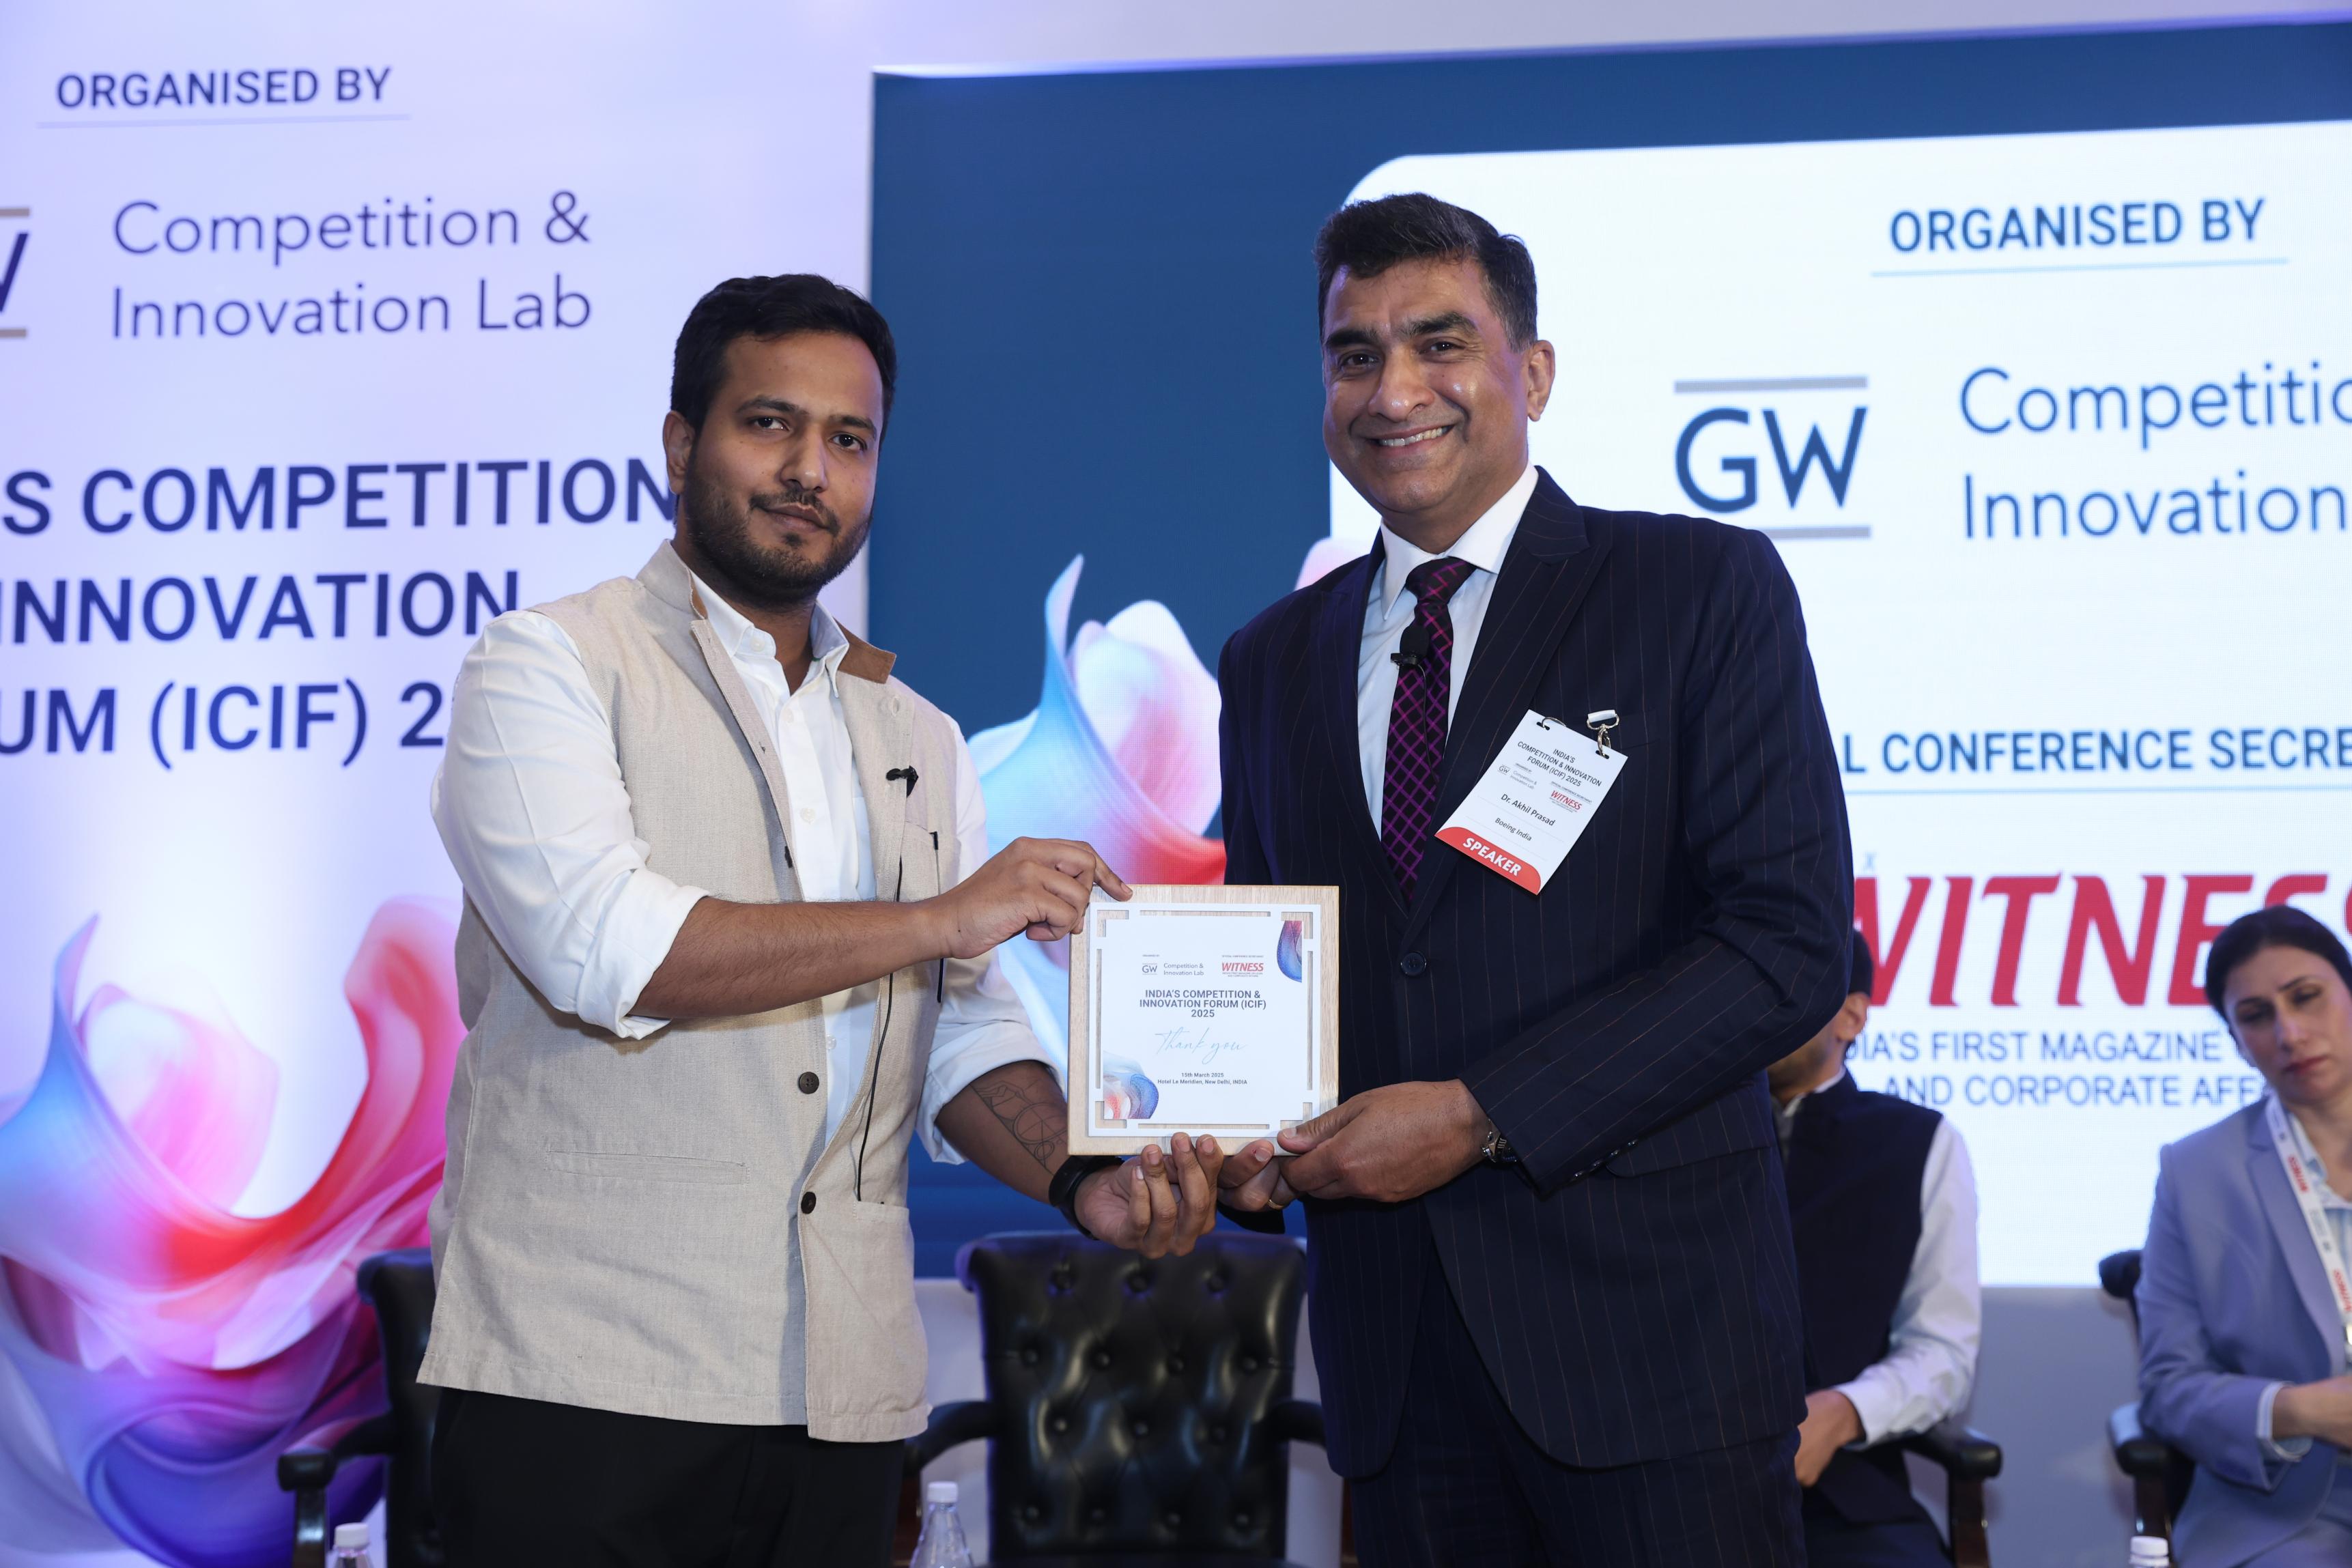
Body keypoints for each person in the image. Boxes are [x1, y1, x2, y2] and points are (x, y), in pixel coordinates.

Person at [419, 274, 1225, 1567]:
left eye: (850, 439)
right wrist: (941, 918)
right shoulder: (546, 666)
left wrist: (1090, 1181)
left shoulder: (918, 736)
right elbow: (607, 951)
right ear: (680, 442)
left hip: (839, 1395)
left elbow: (958, 1030)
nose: (811, 470)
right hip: (584, 1382)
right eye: (769, 424)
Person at [1214, 194, 1852, 1565]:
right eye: (1353, 354)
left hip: (1655, 1349)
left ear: (1534, 371)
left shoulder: (1697, 587)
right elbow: (1275, 975)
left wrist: (1480, 1114)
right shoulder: (1268, 660)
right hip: (1396, 1367)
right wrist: (1220, 1141)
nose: (1393, 390)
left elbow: (1785, 944)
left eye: (1439, 342)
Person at [2138, 904, 2352, 1566]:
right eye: (2256, 1015)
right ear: (2235, 1041)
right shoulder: (2197, 1171)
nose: (2289, 1032)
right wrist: (2299, 1409)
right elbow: (2168, 1386)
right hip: (2293, 1513)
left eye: (2306, 996)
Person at [1770, 930, 1981, 1566]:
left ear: (1852, 1016)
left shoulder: (1915, 1141)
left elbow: (1942, 1350)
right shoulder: (1666, 1138)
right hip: (1665, 1483)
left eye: (1787, 984)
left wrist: (1843, 1410)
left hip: (1839, 1489)